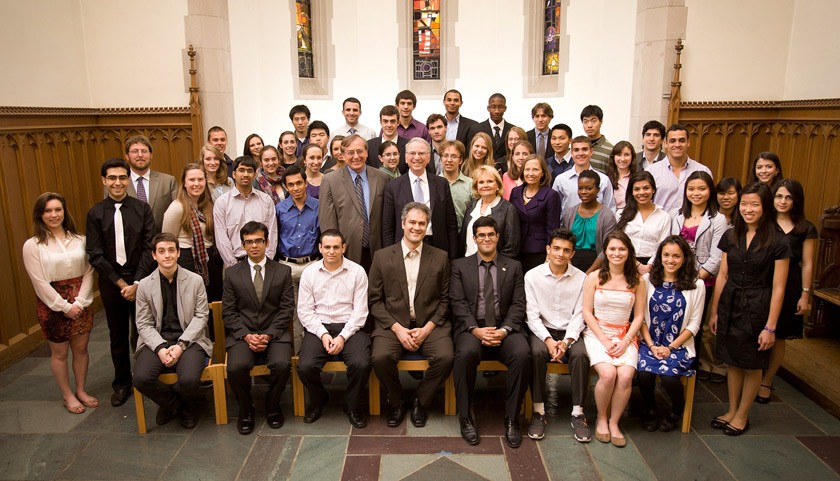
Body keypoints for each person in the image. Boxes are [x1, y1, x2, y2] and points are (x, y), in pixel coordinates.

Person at [709, 182, 791, 436]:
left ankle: (743, 414)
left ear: (765, 207)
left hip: (758, 305)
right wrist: (715, 311)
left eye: (754, 204)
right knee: (733, 361)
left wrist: (770, 326)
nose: (748, 209)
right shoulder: (731, 235)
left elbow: (779, 287)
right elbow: (722, 274)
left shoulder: (778, 241)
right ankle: (731, 409)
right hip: (730, 302)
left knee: (753, 363)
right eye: (744, 203)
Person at [369, 203, 454, 428]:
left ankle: (420, 400)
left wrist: (427, 329)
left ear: (427, 227)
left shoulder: (440, 257)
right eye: (412, 222)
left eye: (422, 223)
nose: (417, 227)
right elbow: (375, 301)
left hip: (430, 325)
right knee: (380, 358)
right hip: (393, 325)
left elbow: (446, 300)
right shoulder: (382, 257)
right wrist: (397, 328)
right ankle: (397, 401)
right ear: (403, 224)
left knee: (445, 358)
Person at [450, 216, 530, 448]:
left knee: (523, 354)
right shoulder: (459, 266)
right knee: (464, 355)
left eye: (491, 235)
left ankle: (512, 418)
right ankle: (465, 417)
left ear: (498, 237)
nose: (486, 239)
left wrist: (504, 330)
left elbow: (518, 304)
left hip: (505, 326)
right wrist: (475, 329)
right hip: (471, 327)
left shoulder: (513, 266)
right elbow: (457, 302)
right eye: (481, 235)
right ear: (474, 239)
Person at [86, 158, 156, 407]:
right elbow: (95, 253)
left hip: (141, 279)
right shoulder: (95, 213)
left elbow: (149, 247)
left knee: (143, 332)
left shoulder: (142, 209)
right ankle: (122, 383)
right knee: (117, 334)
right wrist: (119, 283)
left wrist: (136, 281)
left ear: (128, 179)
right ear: (104, 181)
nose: (117, 182)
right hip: (111, 281)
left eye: (122, 177)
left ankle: (145, 378)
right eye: (112, 178)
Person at [23, 192, 97, 414]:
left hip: (81, 300)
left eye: (58, 209)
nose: (54, 215)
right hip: (52, 304)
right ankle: (67, 395)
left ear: (64, 212)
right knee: (60, 353)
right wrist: (65, 307)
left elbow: (89, 271)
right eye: (48, 211)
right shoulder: (33, 245)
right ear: (40, 215)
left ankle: (81, 390)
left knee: (81, 349)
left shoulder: (80, 240)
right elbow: (39, 282)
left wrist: (80, 302)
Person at [133, 233, 213, 429]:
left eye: (171, 250)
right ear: (154, 255)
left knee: (189, 380)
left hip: (190, 340)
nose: (167, 255)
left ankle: (168, 403)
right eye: (161, 251)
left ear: (178, 253)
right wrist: (160, 348)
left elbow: (201, 316)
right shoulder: (144, 285)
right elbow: (143, 323)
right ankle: (178, 406)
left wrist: (181, 345)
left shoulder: (195, 280)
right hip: (156, 340)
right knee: (141, 379)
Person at [223, 221, 295, 435]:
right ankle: (246, 410)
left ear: (267, 242)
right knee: (236, 367)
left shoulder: (282, 271)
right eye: (249, 242)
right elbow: (228, 311)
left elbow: (287, 308)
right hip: (243, 335)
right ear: (243, 245)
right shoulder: (232, 273)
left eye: (258, 241)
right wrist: (246, 335)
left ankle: (273, 406)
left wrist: (269, 334)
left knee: (282, 364)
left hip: (275, 333)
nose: (254, 245)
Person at [296, 229, 371, 428]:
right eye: (327, 247)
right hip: (319, 326)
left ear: (343, 248)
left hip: (350, 326)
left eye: (336, 247)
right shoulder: (309, 273)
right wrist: (323, 334)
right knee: (304, 366)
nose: (331, 251)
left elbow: (360, 312)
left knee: (362, 363)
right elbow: (304, 311)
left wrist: (342, 337)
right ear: (320, 248)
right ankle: (319, 398)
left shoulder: (357, 272)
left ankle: (352, 404)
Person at [523, 228, 592, 442]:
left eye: (566, 250)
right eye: (556, 249)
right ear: (548, 249)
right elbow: (531, 315)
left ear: (572, 254)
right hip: (542, 331)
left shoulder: (582, 278)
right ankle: (538, 411)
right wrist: (548, 340)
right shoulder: (532, 276)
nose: (560, 254)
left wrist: (567, 340)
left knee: (581, 356)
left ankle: (578, 413)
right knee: (535, 353)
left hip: (571, 331)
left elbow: (581, 314)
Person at [581, 231, 646, 447]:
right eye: (612, 249)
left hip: (625, 334)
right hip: (598, 333)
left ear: (629, 252)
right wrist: (605, 340)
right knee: (608, 374)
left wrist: (627, 340)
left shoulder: (637, 281)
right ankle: (601, 418)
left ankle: (614, 421)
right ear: (605, 251)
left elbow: (639, 316)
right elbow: (587, 313)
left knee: (626, 375)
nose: (616, 253)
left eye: (622, 249)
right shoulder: (594, 277)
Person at [757, 179, 817, 403]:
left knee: (778, 333)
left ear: (796, 200)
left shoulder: (805, 227)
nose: (783, 201)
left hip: (790, 283)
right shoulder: (765, 222)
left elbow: (808, 263)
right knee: (757, 327)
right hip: (763, 278)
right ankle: (753, 374)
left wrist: (805, 294)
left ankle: (767, 380)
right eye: (779, 196)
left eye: (788, 197)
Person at [637, 236, 705, 432]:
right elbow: (640, 317)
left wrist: (670, 348)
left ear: (685, 258)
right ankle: (649, 409)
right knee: (644, 374)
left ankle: (676, 410)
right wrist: (651, 345)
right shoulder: (647, 280)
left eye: (676, 256)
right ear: (659, 256)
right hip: (649, 342)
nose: (670, 260)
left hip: (679, 345)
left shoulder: (696, 284)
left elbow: (694, 325)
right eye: (666, 255)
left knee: (669, 377)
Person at [672, 171, 727, 382]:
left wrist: (695, 279)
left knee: (696, 325)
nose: (696, 193)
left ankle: (692, 369)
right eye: (692, 189)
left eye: (702, 189)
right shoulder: (677, 215)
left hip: (702, 281)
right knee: (679, 323)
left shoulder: (718, 219)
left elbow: (717, 257)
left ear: (710, 191)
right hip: (676, 278)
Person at [319, 134, 389, 271]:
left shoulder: (382, 178)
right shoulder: (330, 180)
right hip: (346, 252)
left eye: (360, 151)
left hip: (377, 250)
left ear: (367, 152)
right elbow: (327, 221)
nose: (356, 156)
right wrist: (334, 250)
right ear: (343, 155)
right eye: (350, 152)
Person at [382, 138, 460, 258]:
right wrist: (391, 257)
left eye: (421, 153)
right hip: (404, 249)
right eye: (412, 153)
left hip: (437, 247)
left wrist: (453, 257)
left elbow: (451, 224)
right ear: (406, 157)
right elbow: (388, 227)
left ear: (428, 158)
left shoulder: (441, 184)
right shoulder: (393, 187)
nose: (417, 157)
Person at [162, 164, 224, 303]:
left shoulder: (209, 205)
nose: (197, 184)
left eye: (200, 180)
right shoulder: (177, 208)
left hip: (210, 261)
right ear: (184, 183)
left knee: (212, 302)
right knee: (192, 303)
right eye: (192, 180)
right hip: (188, 261)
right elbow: (167, 242)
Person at [275, 165, 320, 352]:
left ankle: (313, 355)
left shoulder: (319, 206)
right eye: (290, 185)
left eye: (299, 183)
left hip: (313, 264)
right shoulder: (279, 208)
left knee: (315, 311)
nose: (295, 188)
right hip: (287, 264)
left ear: (306, 182)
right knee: (292, 314)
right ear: (286, 187)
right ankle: (296, 357)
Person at [213, 156, 279, 267]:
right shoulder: (222, 203)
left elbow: (272, 233)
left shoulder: (266, 200)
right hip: (234, 264)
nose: (246, 174)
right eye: (241, 170)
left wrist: (266, 262)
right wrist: (234, 266)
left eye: (250, 171)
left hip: (263, 264)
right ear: (233, 174)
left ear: (254, 174)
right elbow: (221, 239)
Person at [510, 155, 561, 273]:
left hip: (538, 252)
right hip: (516, 250)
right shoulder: (515, 192)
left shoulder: (551, 195)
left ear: (543, 173)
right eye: (527, 169)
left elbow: (552, 229)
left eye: (535, 169)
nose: (530, 173)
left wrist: (549, 256)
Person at [645, 123, 712, 213]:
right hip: (661, 225)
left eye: (681, 140)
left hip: (692, 225)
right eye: (672, 141)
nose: (677, 144)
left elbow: (710, 203)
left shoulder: (702, 171)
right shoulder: (651, 172)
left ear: (688, 143)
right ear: (665, 143)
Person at [560, 170, 617, 273]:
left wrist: (589, 272)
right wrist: (570, 267)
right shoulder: (570, 213)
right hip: (571, 264)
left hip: (597, 265)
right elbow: (564, 241)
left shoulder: (607, 215)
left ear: (598, 190)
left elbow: (607, 247)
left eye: (588, 188)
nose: (583, 192)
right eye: (580, 188)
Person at [120, 134, 178, 233]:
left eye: (144, 151)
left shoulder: (168, 181)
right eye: (135, 151)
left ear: (151, 155)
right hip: (130, 242)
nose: (140, 155)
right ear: (127, 156)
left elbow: (177, 214)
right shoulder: (118, 183)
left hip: (161, 242)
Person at [461, 165, 520, 259]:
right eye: (481, 182)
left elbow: (512, 246)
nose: (485, 185)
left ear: (497, 185)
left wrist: (493, 264)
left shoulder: (508, 209)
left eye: (490, 181)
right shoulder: (471, 206)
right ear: (476, 187)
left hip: (495, 266)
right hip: (468, 263)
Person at [615, 172, 671, 272]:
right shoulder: (621, 214)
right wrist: (636, 265)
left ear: (653, 189)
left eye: (646, 188)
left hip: (653, 266)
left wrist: (649, 267)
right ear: (631, 192)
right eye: (636, 189)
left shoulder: (664, 216)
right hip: (625, 263)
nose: (641, 192)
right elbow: (618, 241)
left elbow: (663, 245)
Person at [552, 136, 615, 213]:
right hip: (568, 224)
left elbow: (610, 208)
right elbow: (554, 210)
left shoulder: (604, 180)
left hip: (597, 224)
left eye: (584, 149)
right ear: (571, 153)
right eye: (576, 150)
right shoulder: (560, 180)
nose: (580, 153)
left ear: (591, 152)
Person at [439, 140, 473, 229]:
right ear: (441, 159)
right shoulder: (434, 183)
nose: (449, 160)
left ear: (461, 160)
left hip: (464, 233)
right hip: (441, 234)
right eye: (445, 156)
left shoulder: (470, 184)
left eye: (454, 156)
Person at [366, 105, 409, 172]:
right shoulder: (369, 145)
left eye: (392, 121)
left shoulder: (408, 145)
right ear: (381, 122)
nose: (389, 125)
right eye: (385, 121)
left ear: (398, 123)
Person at [477, 93, 515, 160]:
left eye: (500, 107)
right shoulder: (477, 129)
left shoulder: (512, 130)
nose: (497, 111)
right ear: (488, 108)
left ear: (505, 108)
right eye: (493, 107)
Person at [605, 141, 639, 211]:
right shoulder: (606, 178)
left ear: (632, 157)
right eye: (619, 155)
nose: (622, 159)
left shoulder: (637, 178)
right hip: (610, 218)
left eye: (626, 155)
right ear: (613, 157)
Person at [580, 105, 613, 173]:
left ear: (601, 121)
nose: (589, 125)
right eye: (585, 121)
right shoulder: (579, 147)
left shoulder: (610, 150)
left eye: (593, 121)